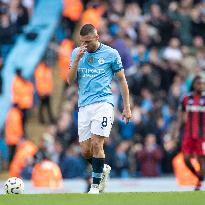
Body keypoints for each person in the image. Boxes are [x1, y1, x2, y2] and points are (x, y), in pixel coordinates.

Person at [67, 24, 132, 194]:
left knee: (97, 143)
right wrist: (76, 60)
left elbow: (122, 81)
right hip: (84, 106)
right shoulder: (76, 53)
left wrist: (127, 107)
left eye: (88, 41)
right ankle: (102, 168)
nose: (85, 45)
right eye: (82, 42)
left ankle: (95, 187)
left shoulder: (111, 54)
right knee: (85, 150)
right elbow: (69, 80)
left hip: (103, 103)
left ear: (97, 38)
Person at [174, 75, 205, 190]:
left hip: (202, 135)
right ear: (193, 85)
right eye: (199, 83)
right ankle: (198, 176)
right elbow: (181, 117)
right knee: (186, 158)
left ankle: (198, 184)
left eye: (203, 84)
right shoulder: (186, 98)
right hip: (188, 134)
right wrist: (176, 131)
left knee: (201, 159)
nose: (201, 86)